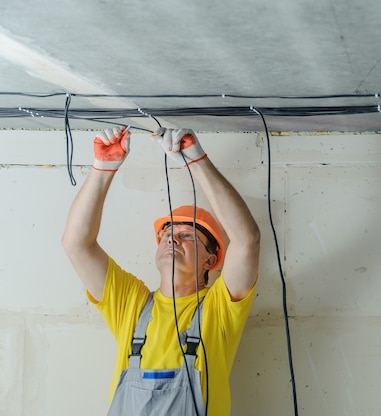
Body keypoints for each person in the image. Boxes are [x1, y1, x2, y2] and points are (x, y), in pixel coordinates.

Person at [62, 126, 260, 416]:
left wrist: (197, 159)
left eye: (188, 235)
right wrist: (102, 170)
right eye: (168, 234)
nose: (172, 239)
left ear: (210, 260)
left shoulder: (219, 309)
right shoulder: (131, 304)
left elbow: (247, 240)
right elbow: (76, 244)